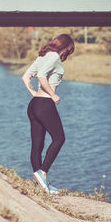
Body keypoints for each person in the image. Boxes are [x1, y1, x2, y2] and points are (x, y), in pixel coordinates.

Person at [22, 34, 75, 194]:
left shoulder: (43, 55)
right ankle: (42, 173)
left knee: (37, 145)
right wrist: (53, 95)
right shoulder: (53, 57)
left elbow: (25, 77)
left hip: (34, 105)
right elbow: (41, 76)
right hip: (45, 105)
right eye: (69, 51)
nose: (68, 54)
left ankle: (41, 185)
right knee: (59, 138)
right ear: (65, 48)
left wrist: (35, 95)